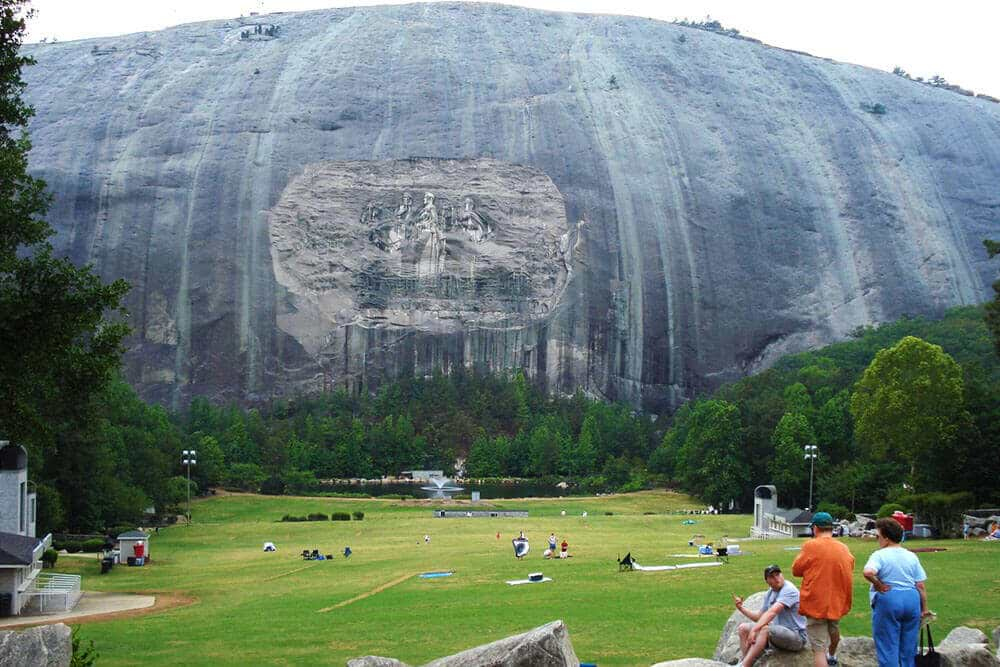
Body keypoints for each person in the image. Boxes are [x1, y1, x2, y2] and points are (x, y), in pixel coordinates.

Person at [863, 517, 930, 666]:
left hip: (890, 598)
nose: (877, 540)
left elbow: (868, 572)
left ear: (886, 538)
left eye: (878, 536)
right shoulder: (911, 556)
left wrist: (878, 585)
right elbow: (920, 585)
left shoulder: (879, 555)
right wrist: (924, 609)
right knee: (908, 647)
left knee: (887, 645)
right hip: (912, 600)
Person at [792, 512, 855, 667]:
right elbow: (850, 566)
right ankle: (832, 655)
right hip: (837, 601)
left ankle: (826, 658)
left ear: (815, 528)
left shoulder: (811, 545)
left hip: (816, 603)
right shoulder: (843, 547)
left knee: (818, 649)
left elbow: (796, 570)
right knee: (833, 629)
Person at [733, 565, 808, 666]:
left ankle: (745, 665)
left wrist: (755, 630)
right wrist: (741, 608)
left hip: (796, 637)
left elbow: (772, 612)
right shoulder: (770, 593)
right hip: (779, 634)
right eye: (772, 576)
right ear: (767, 581)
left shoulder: (789, 589)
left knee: (765, 629)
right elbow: (759, 617)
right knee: (743, 628)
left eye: (778, 574)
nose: (776, 578)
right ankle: (745, 660)